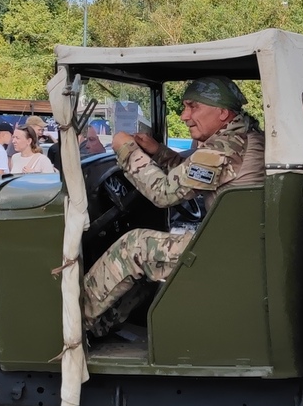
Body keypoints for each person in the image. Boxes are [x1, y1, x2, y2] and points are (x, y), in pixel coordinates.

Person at [81, 77, 265, 336]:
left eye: (193, 107)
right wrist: (158, 152)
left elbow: (163, 193)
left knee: (134, 245)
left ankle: (71, 325)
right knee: (149, 260)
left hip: (225, 253)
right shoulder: (242, 135)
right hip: (238, 245)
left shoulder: (224, 148)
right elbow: (192, 176)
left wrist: (127, 151)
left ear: (222, 113)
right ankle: (104, 324)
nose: (184, 116)